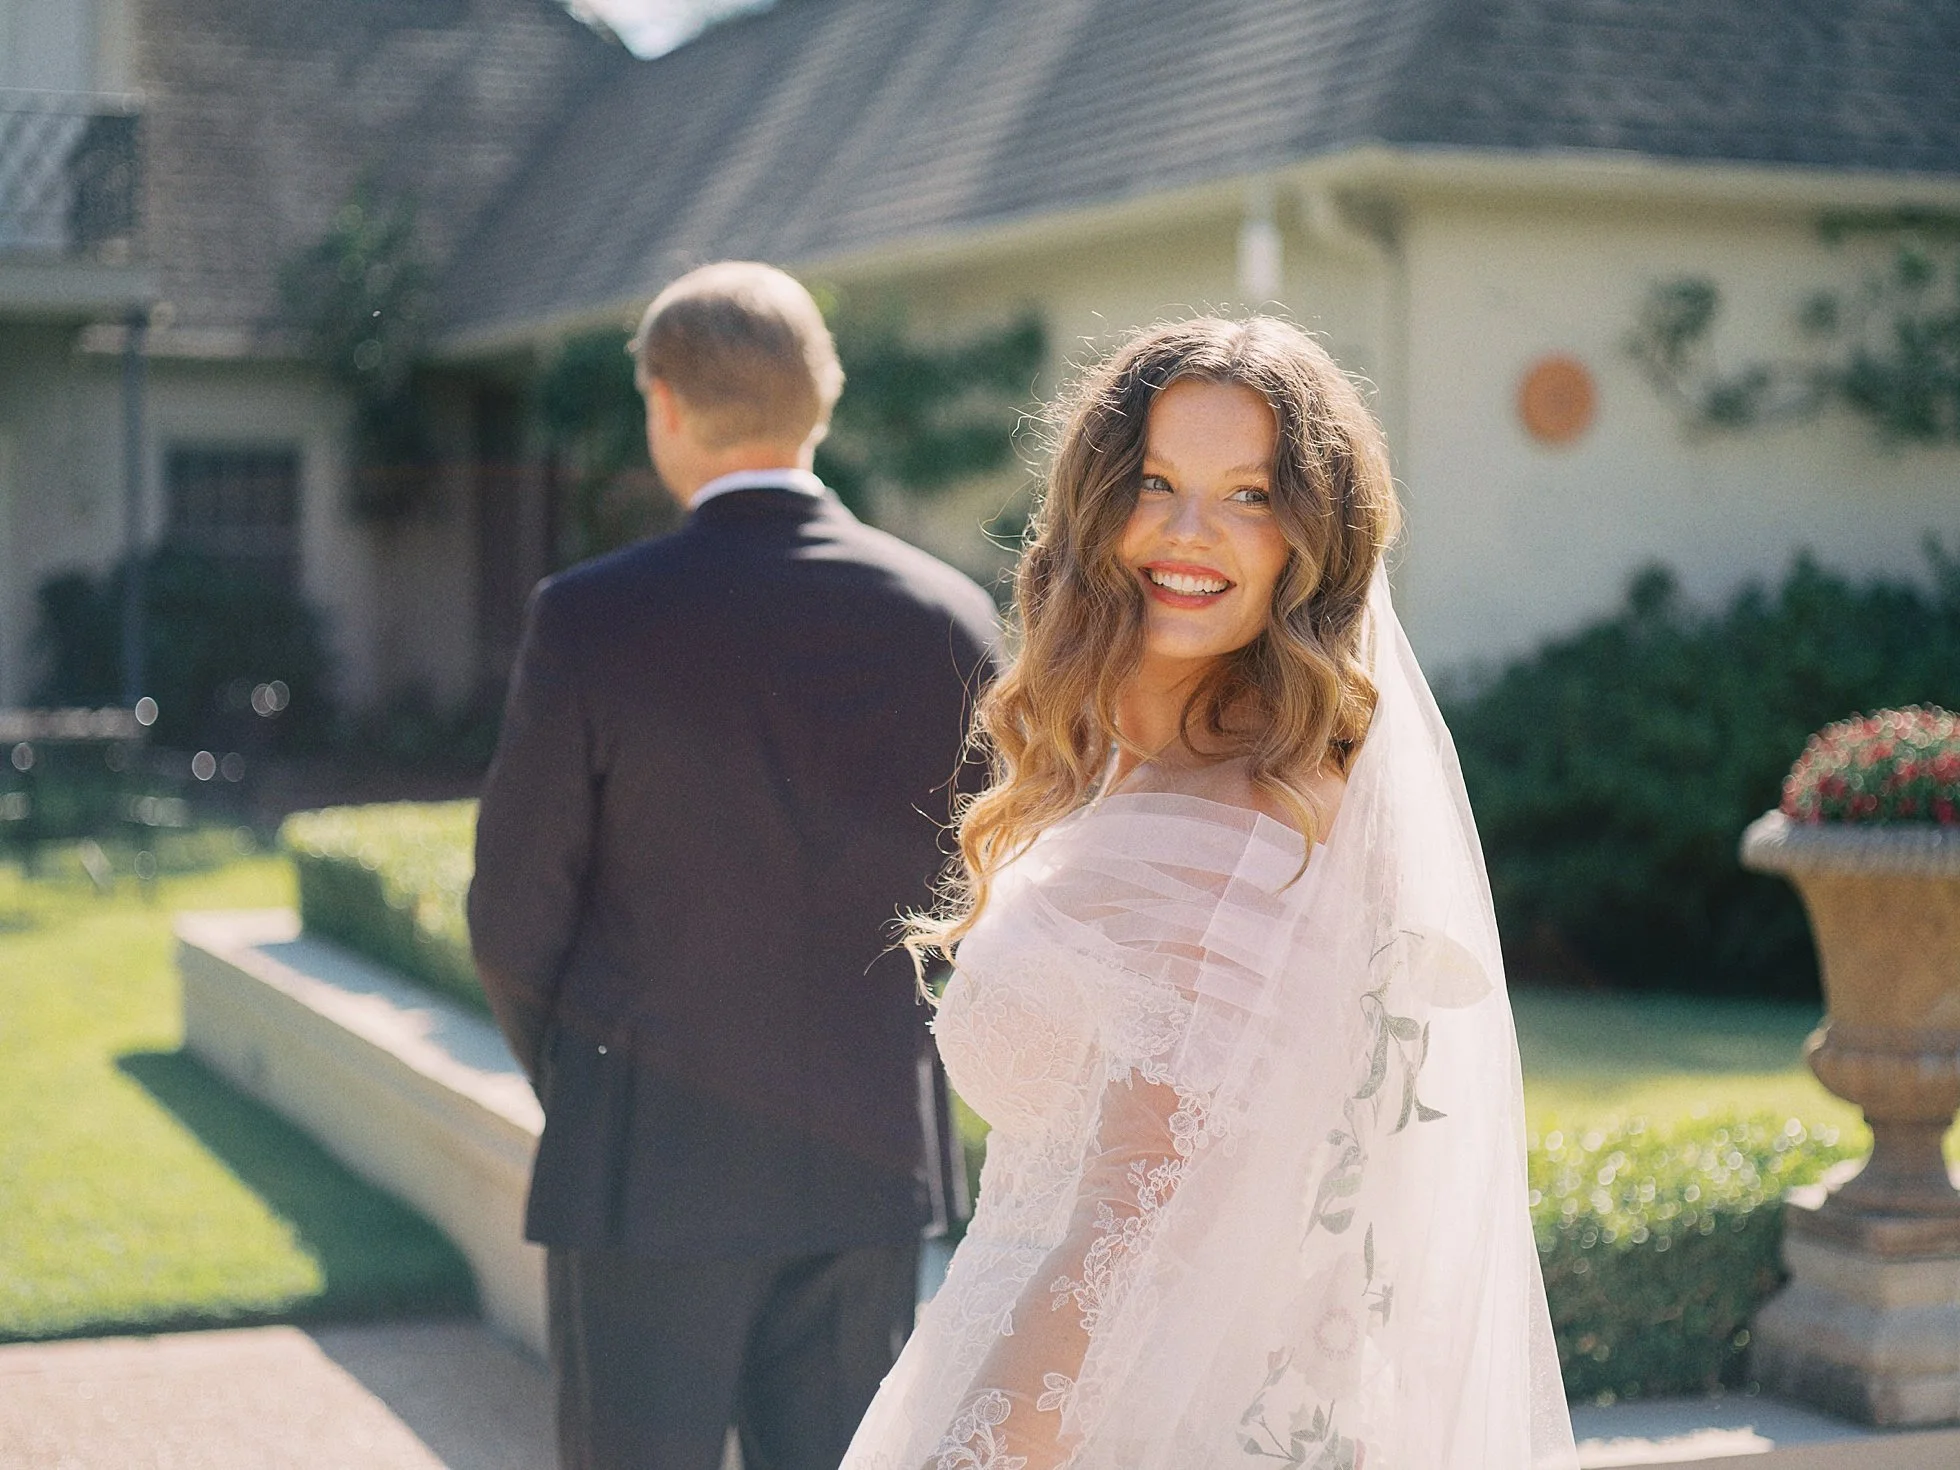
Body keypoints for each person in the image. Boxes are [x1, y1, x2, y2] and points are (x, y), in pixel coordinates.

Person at [840, 317, 1578, 1469]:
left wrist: (976, 1456)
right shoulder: (1166, 763)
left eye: (1247, 495)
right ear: (1096, 505)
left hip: (1086, 1420)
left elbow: (1130, 1227)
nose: (1189, 533)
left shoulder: (1235, 828)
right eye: (1155, 483)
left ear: (1310, 541)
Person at [468, 261, 1000, 1470]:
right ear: (825, 397)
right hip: (869, 1167)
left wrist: (592, 1084)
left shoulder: (592, 618)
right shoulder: (950, 617)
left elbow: (513, 915)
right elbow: (980, 897)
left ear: (661, 403)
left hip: (646, 1168)